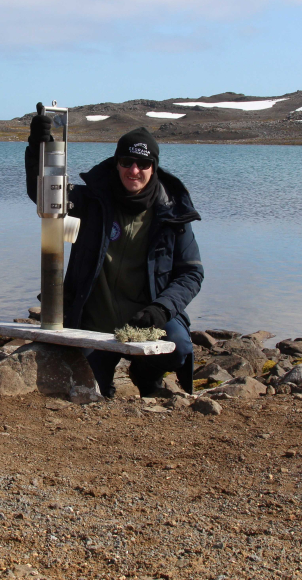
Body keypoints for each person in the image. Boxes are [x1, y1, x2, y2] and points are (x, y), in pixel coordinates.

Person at [25, 111, 204, 397]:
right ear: (116, 163)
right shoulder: (93, 201)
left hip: (147, 321)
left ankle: (145, 377)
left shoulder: (173, 214)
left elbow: (192, 273)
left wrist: (161, 309)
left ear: (154, 167)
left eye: (143, 163)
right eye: (127, 162)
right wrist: (38, 148)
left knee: (178, 347)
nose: (134, 170)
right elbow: (45, 196)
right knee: (93, 392)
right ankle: (103, 377)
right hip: (93, 322)